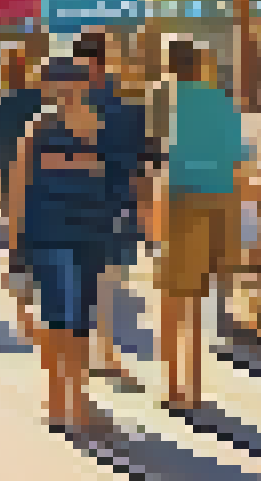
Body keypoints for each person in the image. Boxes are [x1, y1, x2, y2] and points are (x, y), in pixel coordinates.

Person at [11, 57, 123, 439]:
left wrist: (16, 244)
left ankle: (67, 402)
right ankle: (66, 402)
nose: (64, 92)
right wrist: (16, 245)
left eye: (69, 85)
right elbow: (18, 189)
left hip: (79, 235)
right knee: (64, 321)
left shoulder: (95, 129)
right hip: (58, 235)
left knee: (71, 321)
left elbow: (17, 190)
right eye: (60, 85)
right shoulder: (43, 129)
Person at [152, 38, 246, 412]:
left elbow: (152, 151)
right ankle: (195, 385)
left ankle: (175, 387)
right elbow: (239, 156)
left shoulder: (166, 99)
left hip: (182, 197)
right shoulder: (221, 101)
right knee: (198, 296)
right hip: (220, 199)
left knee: (173, 295)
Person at [73, 30, 146, 393]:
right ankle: (106, 354)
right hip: (113, 200)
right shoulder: (125, 105)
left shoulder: (65, 106)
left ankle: (86, 357)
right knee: (109, 282)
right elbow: (140, 159)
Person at [0, 48, 48, 341]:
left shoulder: (1, 104)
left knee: (17, 249)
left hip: (13, 183)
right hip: (40, 181)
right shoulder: (39, 101)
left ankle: (25, 316)